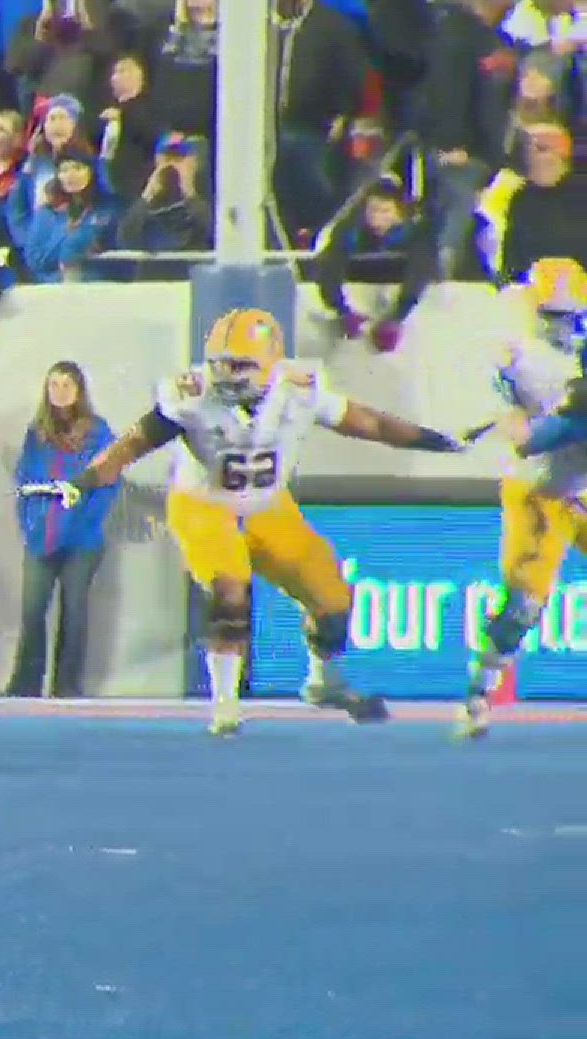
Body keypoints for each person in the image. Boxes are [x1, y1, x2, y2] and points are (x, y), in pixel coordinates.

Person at [23, 308, 468, 736]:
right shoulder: (192, 395)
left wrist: (435, 441)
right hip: (203, 503)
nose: (228, 375)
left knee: (332, 600)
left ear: (272, 364)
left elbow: (369, 422)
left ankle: (322, 681)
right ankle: (225, 704)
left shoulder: (300, 390)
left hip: (268, 504)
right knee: (229, 588)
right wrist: (83, 481)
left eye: (241, 365)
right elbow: (132, 445)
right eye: (221, 364)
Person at [461, 258, 587, 739]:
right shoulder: (515, 355)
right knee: (525, 603)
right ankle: (480, 691)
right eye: (553, 315)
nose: (564, 326)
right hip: (542, 487)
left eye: (570, 315)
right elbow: (521, 436)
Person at [9, 361, 116, 698]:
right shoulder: (36, 433)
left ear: (79, 390)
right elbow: (24, 480)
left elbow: (107, 481)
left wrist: (82, 518)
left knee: (74, 612)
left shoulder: (98, 432)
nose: (59, 392)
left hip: (81, 539)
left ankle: (67, 688)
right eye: (53, 385)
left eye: (66, 385)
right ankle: (25, 687)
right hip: (41, 535)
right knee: (32, 611)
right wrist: (29, 521)